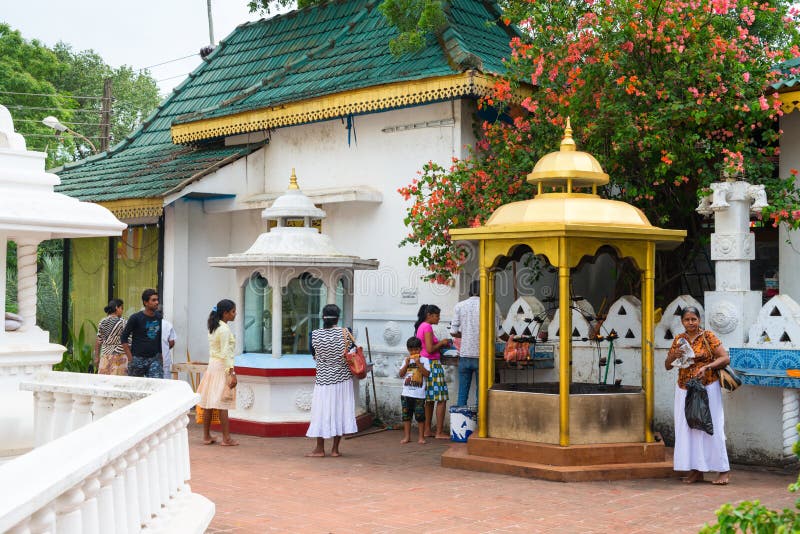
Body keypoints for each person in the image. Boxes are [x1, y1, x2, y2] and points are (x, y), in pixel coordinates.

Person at [665, 306, 731, 485]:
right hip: (684, 388)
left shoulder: (708, 336)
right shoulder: (679, 339)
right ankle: (696, 470)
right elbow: (668, 366)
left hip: (707, 387)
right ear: (682, 322)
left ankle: (723, 470)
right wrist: (673, 355)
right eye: (687, 320)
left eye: (694, 319)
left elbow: (725, 358)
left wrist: (707, 367)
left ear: (699, 320)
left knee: (712, 425)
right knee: (688, 427)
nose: (691, 323)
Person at [306, 304, 357, 457]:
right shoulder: (346, 333)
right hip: (343, 380)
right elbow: (352, 353)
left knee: (321, 413)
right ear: (337, 317)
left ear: (323, 317)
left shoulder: (314, 335)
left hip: (323, 381)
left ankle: (319, 449)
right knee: (340, 411)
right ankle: (335, 450)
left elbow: (314, 355)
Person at [196, 299, 239, 446]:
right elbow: (226, 353)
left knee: (209, 401)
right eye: (233, 311)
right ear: (225, 313)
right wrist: (231, 373)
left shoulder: (213, 326)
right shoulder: (225, 329)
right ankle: (226, 438)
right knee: (223, 402)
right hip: (222, 367)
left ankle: (207, 436)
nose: (235, 314)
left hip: (212, 365)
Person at [415, 304, 450, 439]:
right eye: (437, 316)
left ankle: (427, 430)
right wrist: (442, 342)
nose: (439, 318)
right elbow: (430, 349)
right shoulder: (427, 326)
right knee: (441, 399)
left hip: (425, 363)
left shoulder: (421, 326)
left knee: (429, 399)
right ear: (429, 315)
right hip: (432, 364)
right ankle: (439, 432)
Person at [121, 289, 163, 379]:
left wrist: (161, 354)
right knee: (135, 387)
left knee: (156, 385)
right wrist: (130, 358)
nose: (157, 302)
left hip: (154, 359)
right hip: (137, 359)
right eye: (153, 300)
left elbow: (160, 337)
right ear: (145, 302)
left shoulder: (159, 317)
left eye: (157, 300)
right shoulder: (135, 318)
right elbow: (124, 338)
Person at [451, 280, 480, 407]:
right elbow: (498, 333)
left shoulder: (459, 306)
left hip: (465, 356)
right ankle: (480, 425)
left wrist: (467, 334)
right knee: (482, 394)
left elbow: (453, 332)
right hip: (482, 357)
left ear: (469, 291)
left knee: (462, 393)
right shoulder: (492, 305)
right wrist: (511, 339)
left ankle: (461, 424)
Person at [398, 336, 431, 444]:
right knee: (406, 416)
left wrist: (418, 363)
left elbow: (427, 374)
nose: (414, 352)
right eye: (411, 350)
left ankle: (421, 437)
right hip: (406, 393)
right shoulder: (406, 360)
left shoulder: (425, 360)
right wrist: (407, 364)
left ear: (420, 349)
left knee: (420, 416)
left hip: (419, 395)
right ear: (408, 350)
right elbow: (401, 374)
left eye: (416, 349)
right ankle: (407, 437)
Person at [94, 299, 127, 375]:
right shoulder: (123, 322)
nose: (122, 311)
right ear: (116, 308)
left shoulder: (102, 322)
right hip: (120, 356)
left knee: (105, 382)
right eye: (121, 308)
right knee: (119, 383)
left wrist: (96, 357)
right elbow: (127, 341)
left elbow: (98, 341)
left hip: (105, 356)